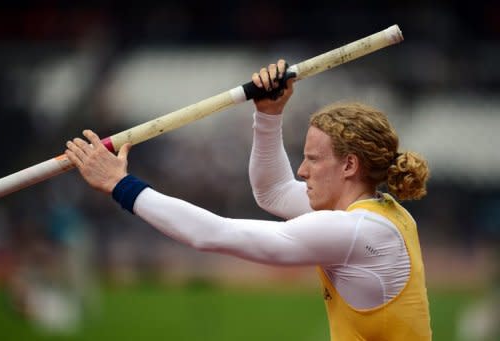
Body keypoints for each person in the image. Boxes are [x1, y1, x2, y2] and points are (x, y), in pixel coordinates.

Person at [65, 60, 432, 340]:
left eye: (314, 159)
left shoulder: (355, 230)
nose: (302, 171)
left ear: (350, 165)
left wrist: (121, 184)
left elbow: (214, 234)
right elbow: (272, 192)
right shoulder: (378, 215)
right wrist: (268, 115)